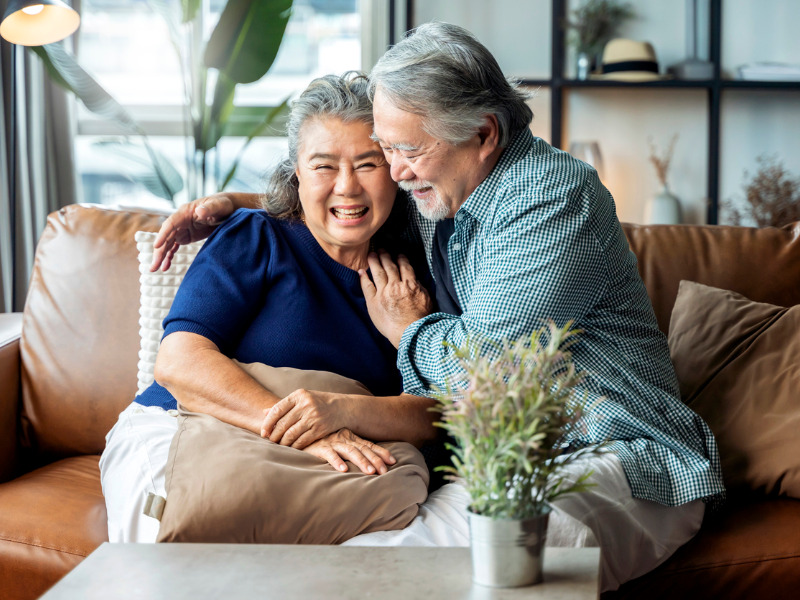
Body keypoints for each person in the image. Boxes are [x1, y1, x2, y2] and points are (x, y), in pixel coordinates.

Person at [151, 23, 725, 592]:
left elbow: (486, 373)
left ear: (483, 132)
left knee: (409, 574)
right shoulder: (443, 188)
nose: (396, 171)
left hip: (615, 456)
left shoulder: (549, 201)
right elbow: (344, 194)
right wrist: (238, 203)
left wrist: (409, 328)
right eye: (389, 149)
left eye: (405, 151)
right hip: (507, 454)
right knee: (360, 561)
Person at [99, 72, 441, 544]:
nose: (347, 188)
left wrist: (399, 346)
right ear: (296, 171)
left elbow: (438, 414)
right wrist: (307, 429)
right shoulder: (258, 236)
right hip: (192, 426)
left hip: (335, 458)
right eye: (323, 166)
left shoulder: (413, 279)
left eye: (368, 164)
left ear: (397, 170)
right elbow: (179, 362)